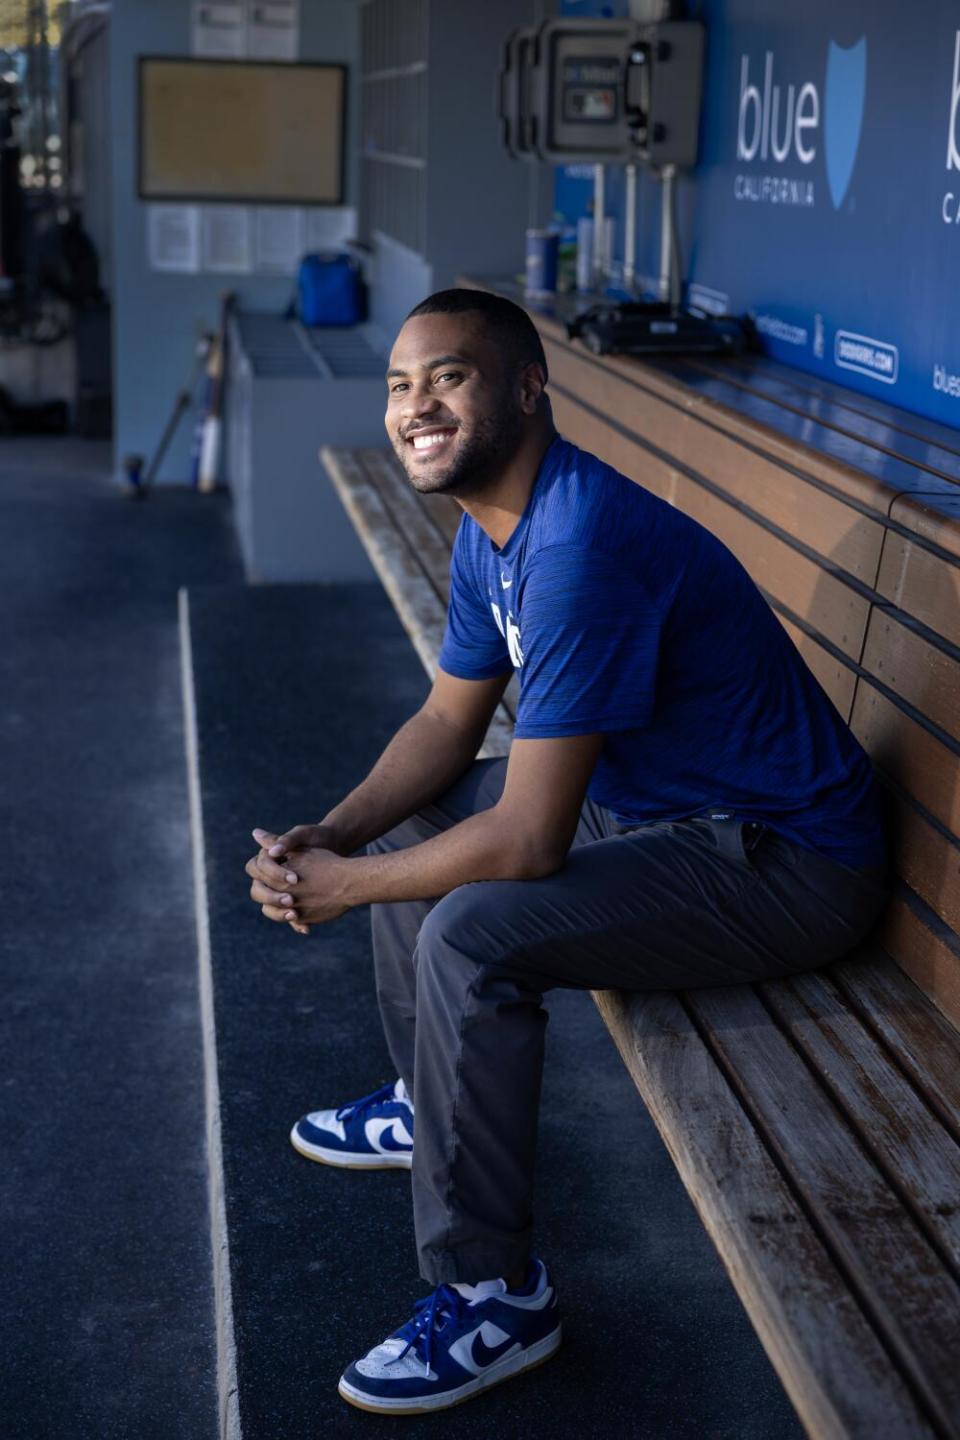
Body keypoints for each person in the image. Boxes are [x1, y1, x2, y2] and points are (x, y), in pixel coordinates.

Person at [245, 288, 889, 1416]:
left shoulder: (580, 543)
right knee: (416, 820)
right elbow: (449, 726)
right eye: (400, 385)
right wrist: (335, 834)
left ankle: (494, 1296)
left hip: (786, 859)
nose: (415, 406)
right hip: (668, 807)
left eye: (449, 376)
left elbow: (532, 840)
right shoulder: (494, 528)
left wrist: (346, 890)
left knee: (474, 927)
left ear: (530, 390)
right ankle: (427, 1101)